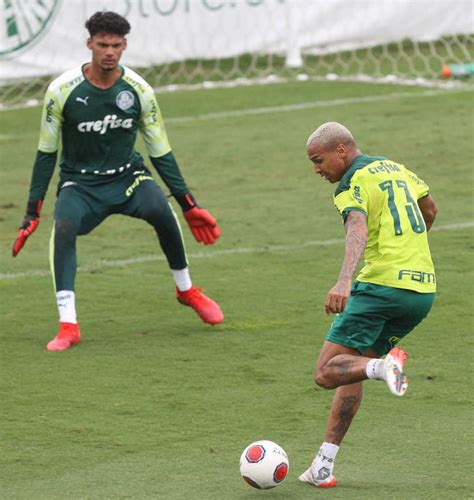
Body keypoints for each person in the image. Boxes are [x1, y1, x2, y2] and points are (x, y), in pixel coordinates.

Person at [12, 11, 224, 351]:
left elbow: (161, 152)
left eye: (116, 45)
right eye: (102, 45)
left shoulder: (139, 90)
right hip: (80, 185)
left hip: (128, 178)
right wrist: (31, 211)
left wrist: (189, 204)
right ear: (89, 45)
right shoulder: (61, 91)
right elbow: (46, 152)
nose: (109, 52)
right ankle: (68, 325)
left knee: (161, 210)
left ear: (124, 46)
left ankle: (186, 291)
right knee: (63, 229)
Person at [299, 122, 437, 488]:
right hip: (421, 292)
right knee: (352, 368)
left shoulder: (351, 183)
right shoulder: (397, 168)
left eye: (319, 160)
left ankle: (383, 366)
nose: (317, 170)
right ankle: (323, 465)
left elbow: (356, 227)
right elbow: (431, 210)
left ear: (341, 151)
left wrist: (345, 279)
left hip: (380, 288)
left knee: (326, 371)